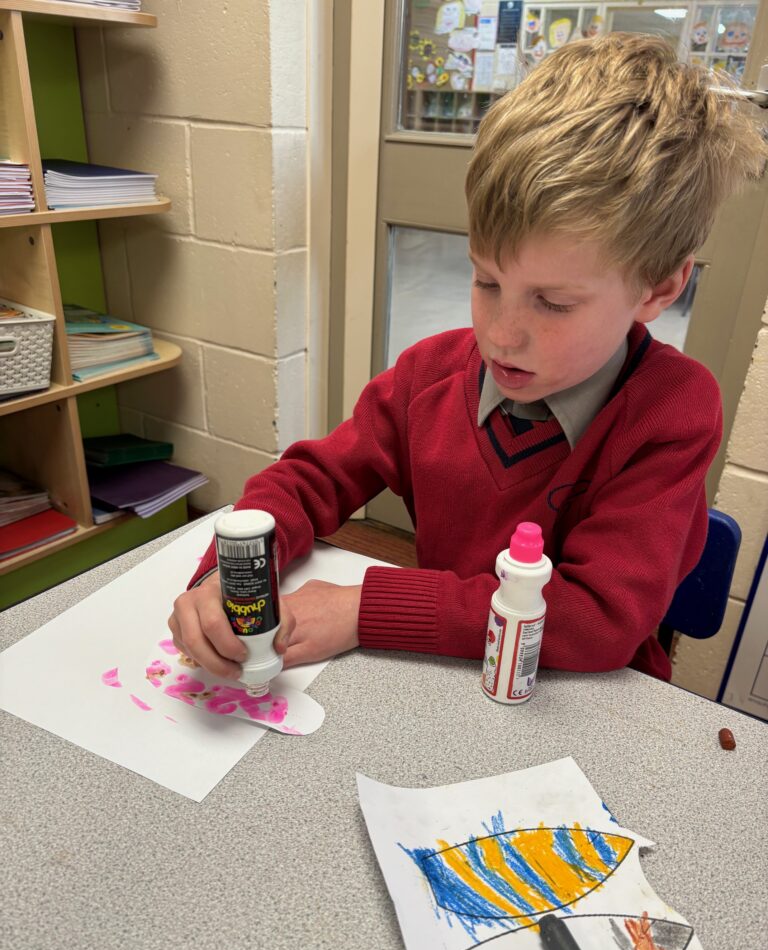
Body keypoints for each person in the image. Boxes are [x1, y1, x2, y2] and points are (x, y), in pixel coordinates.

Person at [169, 33, 766, 683]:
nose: (502, 335)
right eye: (486, 282)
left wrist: (367, 607)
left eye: (554, 303)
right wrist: (230, 578)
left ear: (659, 289)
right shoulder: (431, 374)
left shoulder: (673, 411)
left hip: (581, 700)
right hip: (446, 674)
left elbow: (594, 621)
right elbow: (309, 482)